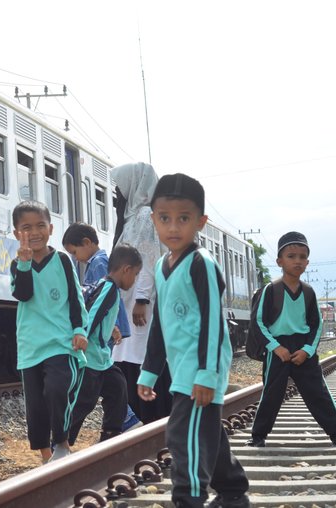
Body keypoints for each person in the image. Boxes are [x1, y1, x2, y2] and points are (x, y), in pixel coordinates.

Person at [137, 173, 249, 508]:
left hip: (201, 369)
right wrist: (149, 371)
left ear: (200, 222)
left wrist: (206, 374)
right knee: (204, 433)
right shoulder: (160, 266)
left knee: (183, 436)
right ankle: (232, 490)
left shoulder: (202, 263)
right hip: (183, 368)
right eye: (165, 218)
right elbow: (160, 325)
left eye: (183, 219)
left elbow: (214, 323)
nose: (173, 227)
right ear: (154, 219)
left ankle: (189, 499)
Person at [10, 200, 88, 464]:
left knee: (56, 389)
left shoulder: (64, 261)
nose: (34, 232)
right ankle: (46, 456)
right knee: (35, 405)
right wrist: (23, 264)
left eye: (40, 225)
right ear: (16, 233)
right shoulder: (16, 264)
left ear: (51, 228)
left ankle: (62, 443)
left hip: (60, 341)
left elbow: (76, 299)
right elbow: (23, 293)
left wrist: (79, 329)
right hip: (31, 344)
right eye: (26, 227)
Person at [245, 232, 336, 447]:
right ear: (279, 261)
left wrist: (307, 349)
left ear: (307, 262)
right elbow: (258, 322)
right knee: (271, 394)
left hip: (303, 349)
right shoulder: (271, 290)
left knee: (318, 394)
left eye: (302, 257)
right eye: (291, 256)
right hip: (278, 349)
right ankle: (258, 436)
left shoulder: (309, 292)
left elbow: (316, 325)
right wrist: (275, 347)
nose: (297, 261)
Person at [62, 223, 142, 432]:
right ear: (125, 271)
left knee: (117, 387)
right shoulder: (108, 285)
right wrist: (83, 336)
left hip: (100, 354)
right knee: (85, 401)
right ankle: (61, 441)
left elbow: (98, 308)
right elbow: (95, 310)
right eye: (134, 276)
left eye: (75, 252)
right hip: (93, 352)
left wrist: (112, 325)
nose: (76, 257)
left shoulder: (100, 267)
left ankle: (114, 432)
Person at [109, 162, 171, 424]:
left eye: (120, 187)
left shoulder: (145, 216)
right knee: (131, 359)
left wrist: (143, 299)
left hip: (140, 303)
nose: (117, 194)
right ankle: (145, 422)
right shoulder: (134, 217)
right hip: (129, 301)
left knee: (141, 359)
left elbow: (147, 260)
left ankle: (154, 420)